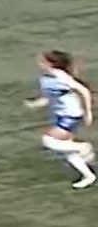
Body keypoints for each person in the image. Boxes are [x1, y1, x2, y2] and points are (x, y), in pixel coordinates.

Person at [25, 51, 97, 189]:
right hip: (61, 115)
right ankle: (89, 176)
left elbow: (84, 91)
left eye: (42, 61)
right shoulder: (46, 78)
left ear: (51, 63)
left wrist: (88, 112)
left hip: (71, 115)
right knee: (67, 151)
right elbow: (49, 97)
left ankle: (83, 147)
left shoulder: (61, 76)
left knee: (49, 140)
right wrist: (35, 104)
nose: (39, 63)